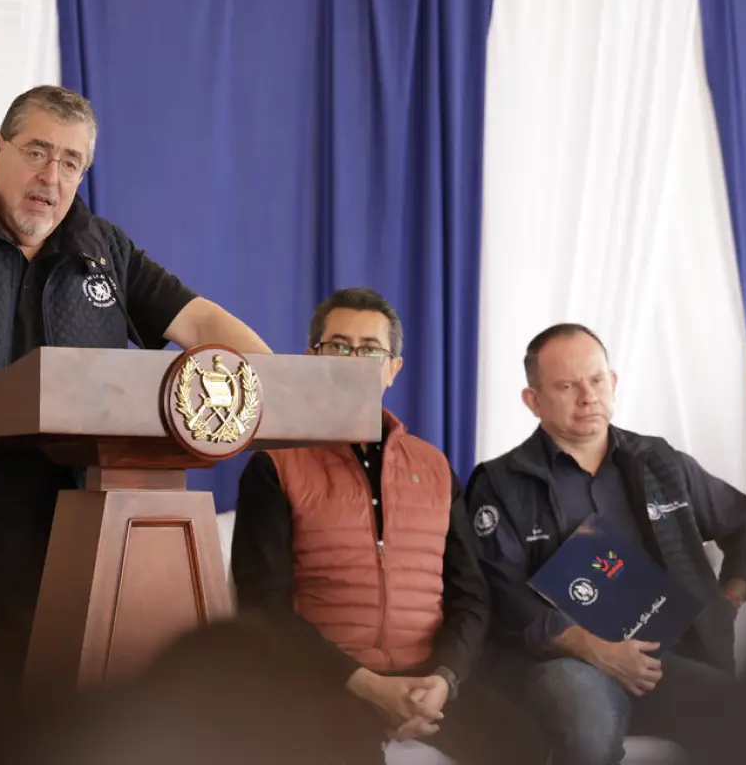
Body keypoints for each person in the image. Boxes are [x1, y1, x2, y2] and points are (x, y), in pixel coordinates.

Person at [0, 85, 272, 748]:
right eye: (38, 152)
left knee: (35, 732)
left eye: (71, 161)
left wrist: (274, 382)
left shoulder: (105, 251)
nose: (52, 176)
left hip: (58, 545)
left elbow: (202, 321)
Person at [231, 287, 546, 765]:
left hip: (428, 679)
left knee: (524, 745)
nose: (352, 361)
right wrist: (368, 686)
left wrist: (443, 681)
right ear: (311, 356)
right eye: (337, 346)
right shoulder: (274, 464)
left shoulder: (435, 467)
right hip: (326, 681)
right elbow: (264, 606)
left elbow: (471, 596)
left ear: (393, 368)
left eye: (370, 350)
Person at [467, 323, 746, 765]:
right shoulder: (499, 483)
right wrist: (592, 647)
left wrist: (730, 596)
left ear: (612, 382)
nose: (587, 396)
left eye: (595, 380)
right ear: (532, 401)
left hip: (666, 662)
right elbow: (504, 595)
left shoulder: (659, 461)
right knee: (585, 719)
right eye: (567, 385)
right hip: (564, 665)